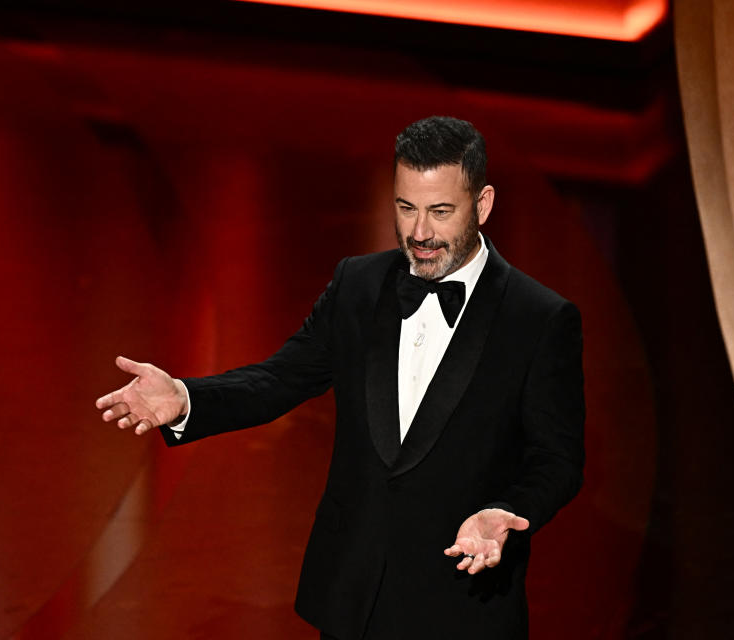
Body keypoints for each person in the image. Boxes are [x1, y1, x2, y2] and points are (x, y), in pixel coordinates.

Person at [95, 116, 585, 639]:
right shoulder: (358, 284)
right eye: (406, 208)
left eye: (441, 212)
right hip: (352, 600)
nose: (419, 233)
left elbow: (557, 459)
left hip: (463, 608)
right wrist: (187, 397)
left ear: (483, 205)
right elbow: (281, 378)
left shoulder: (538, 319)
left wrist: (505, 510)